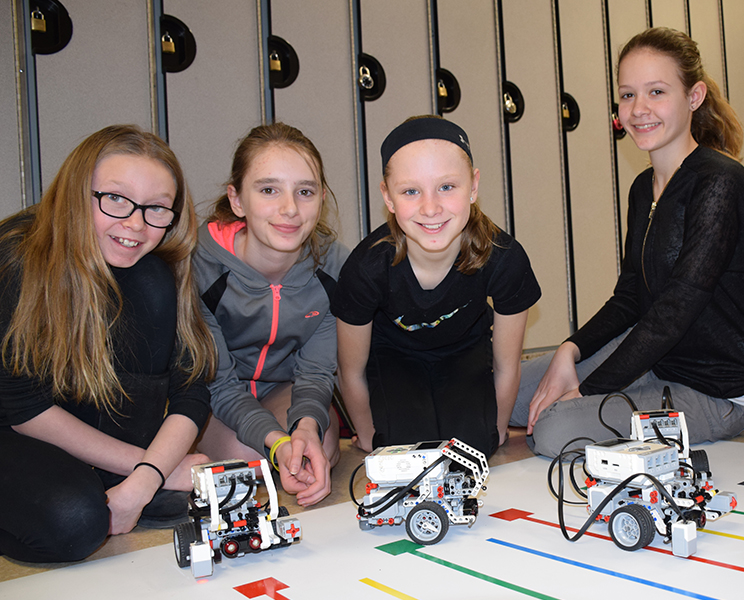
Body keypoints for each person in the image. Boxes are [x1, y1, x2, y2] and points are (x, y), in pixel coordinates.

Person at [510, 27, 744, 458]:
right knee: (510, 390)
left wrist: (586, 391)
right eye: (627, 95)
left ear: (694, 97)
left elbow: (677, 309)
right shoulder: (643, 187)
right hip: (658, 358)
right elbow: (630, 296)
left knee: (554, 429)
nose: (638, 109)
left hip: (716, 389)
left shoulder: (720, 181)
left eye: (657, 92)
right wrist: (569, 350)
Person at [0, 125, 217, 562]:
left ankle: (110, 476)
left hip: (78, 421)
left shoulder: (156, 267)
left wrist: (145, 479)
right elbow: (24, 408)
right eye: (115, 198)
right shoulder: (17, 258)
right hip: (14, 425)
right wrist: (157, 468)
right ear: (77, 193)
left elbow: (191, 388)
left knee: (150, 280)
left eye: (157, 208)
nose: (135, 223)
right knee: (75, 522)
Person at [333, 115, 541, 458]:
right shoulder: (367, 267)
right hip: (394, 357)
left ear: (473, 187)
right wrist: (369, 434)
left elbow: (507, 365)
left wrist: (497, 429)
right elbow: (350, 370)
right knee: (404, 452)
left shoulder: (503, 258)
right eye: (410, 191)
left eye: (447, 187)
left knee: (471, 451)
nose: (430, 208)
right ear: (388, 197)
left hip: (464, 352)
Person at [194, 123, 349, 507]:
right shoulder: (199, 267)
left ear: (322, 198)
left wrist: (306, 427)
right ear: (237, 200)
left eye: (305, 192)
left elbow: (316, 372)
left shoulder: (335, 267)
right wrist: (276, 442)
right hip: (213, 397)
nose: (290, 209)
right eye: (268, 190)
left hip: (282, 388)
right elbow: (219, 385)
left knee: (319, 448)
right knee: (249, 463)